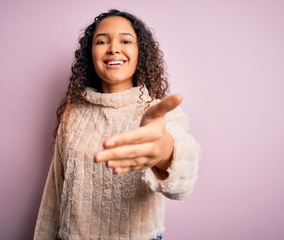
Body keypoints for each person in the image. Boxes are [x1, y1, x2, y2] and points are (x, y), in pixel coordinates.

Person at [34, 9, 201, 240]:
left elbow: (183, 183)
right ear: (90, 55)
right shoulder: (73, 114)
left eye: (125, 40)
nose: (113, 48)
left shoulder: (158, 112)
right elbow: (55, 191)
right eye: (102, 41)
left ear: (140, 52)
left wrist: (165, 151)